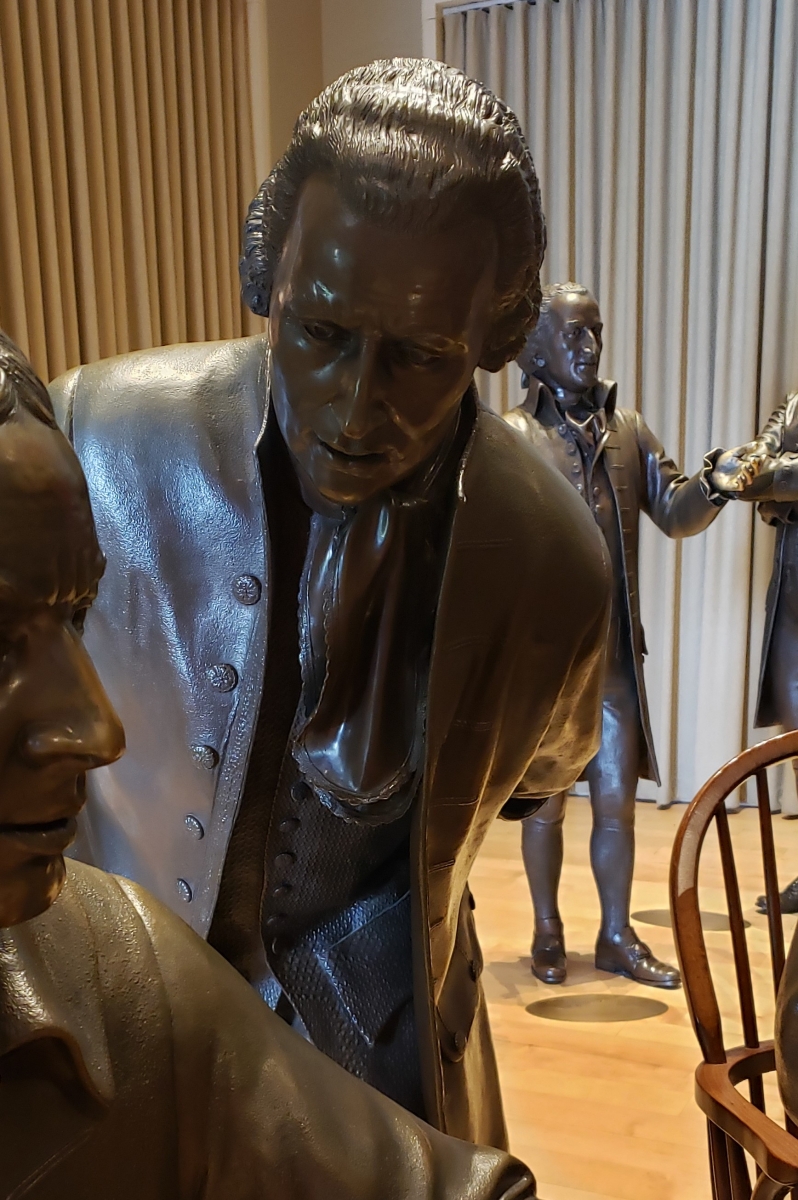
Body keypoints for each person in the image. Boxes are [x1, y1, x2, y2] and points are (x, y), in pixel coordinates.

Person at [48, 60, 611, 1146]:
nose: (357, 409)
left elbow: (544, 775)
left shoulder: (553, 559)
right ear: (268, 276)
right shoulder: (98, 441)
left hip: (392, 1079)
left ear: (495, 337)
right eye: (319, 333)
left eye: (420, 357)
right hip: (125, 1039)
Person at [0, 329, 538, 1199]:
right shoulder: (105, 422)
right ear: (271, 293)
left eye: (76, 617)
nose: (99, 732)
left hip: (377, 1034)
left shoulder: (126, 967)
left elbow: (542, 775)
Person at [504, 282, 750, 989]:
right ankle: (546, 932)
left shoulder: (628, 431)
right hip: (545, 668)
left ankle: (615, 936)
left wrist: (718, 484)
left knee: (615, 804)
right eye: (574, 334)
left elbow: (674, 510)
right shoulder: (510, 441)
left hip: (614, 663)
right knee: (544, 805)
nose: (589, 347)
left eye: (596, 332)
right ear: (534, 350)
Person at [715, 396, 798, 913]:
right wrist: (771, 484)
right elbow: (742, 465)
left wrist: (774, 486)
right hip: (792, 597)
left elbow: (763, 475)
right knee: (795, 744)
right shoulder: (793, 402)